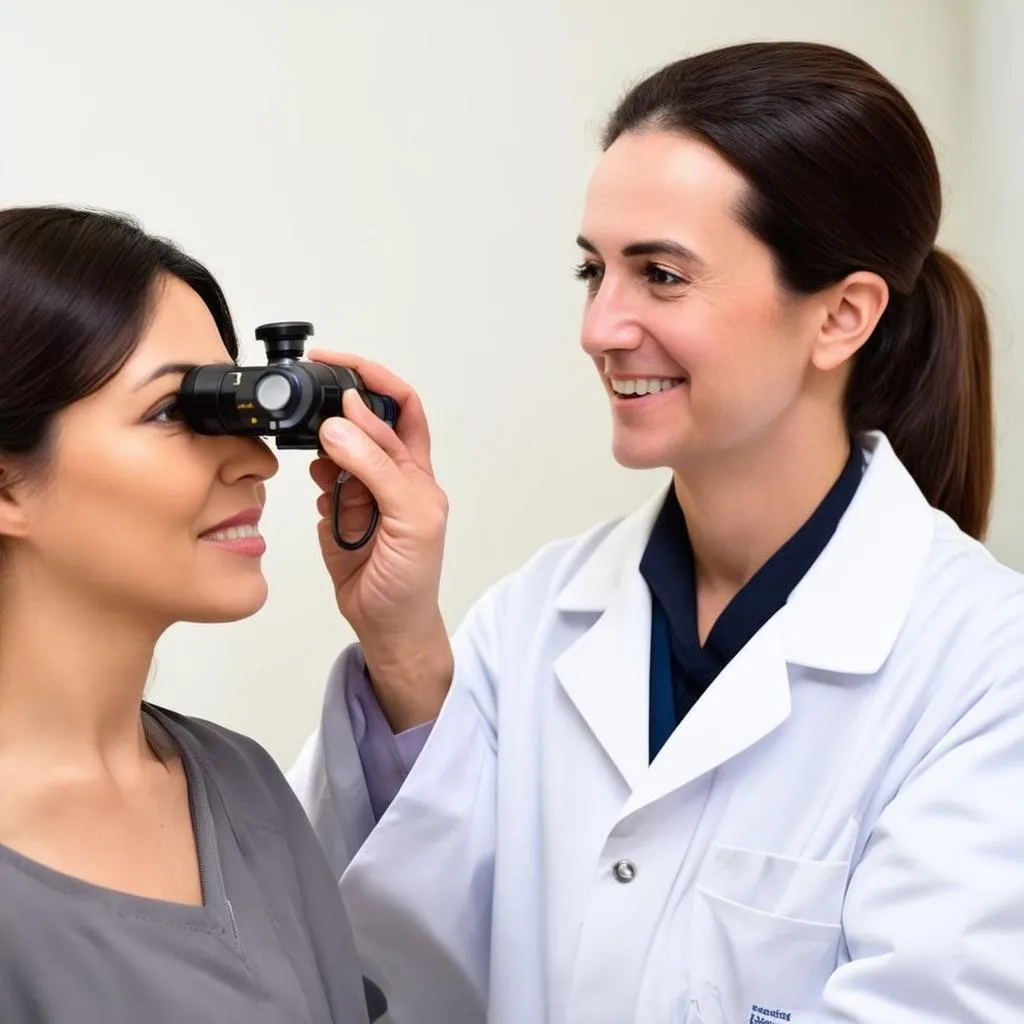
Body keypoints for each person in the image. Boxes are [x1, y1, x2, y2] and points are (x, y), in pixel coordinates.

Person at [290, 40, 1024, 1023]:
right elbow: (397, 966)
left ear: (841, 315)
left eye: (662, 276)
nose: (601, 325)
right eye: (594, 270)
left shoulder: (983, 670)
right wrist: (401, 643)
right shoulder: (537, 616)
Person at [0, 205, 380, 1023]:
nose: (254, 461)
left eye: (232, 404)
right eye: (176, 413)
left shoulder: (241, 785)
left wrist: (402, 639)